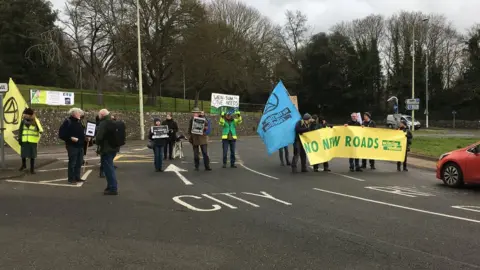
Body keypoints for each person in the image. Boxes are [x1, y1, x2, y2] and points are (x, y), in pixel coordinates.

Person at [59, 108, 86, 184]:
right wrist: (70, 138)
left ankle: (77, 177)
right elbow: (62, 134)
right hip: (72, 145)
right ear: (73, 114)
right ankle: (71, 178)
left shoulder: (80, 122)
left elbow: (82, 133)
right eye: (79, 113)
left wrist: (86, 138)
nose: (80, 115)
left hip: (80, 145)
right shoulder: (67, 122)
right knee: (72, 162)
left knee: (79, 162)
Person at [96, 109, 120, 195]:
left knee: (108, 169)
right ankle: (110, 186)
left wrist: (96, 142)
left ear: (102, 115)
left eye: (99, 114)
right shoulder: (113, 122)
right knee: (109, 167)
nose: (98, 116)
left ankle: (113, 188)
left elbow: (99, 137)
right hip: (114, 148)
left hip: (106, 148)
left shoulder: (103, 123)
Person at [18, 108, 43, 174]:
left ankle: (32, 169)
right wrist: (19, 138)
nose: (24, 115)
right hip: (24, 140)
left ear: (30, 115)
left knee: (32, 156)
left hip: (32, 141)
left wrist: (36, 125)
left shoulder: (36, 121)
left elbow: (41, 130)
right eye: (24, 114)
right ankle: (24, 165)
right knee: (23, 154)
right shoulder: (23, 121)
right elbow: (20, 130)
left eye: (26, 114)